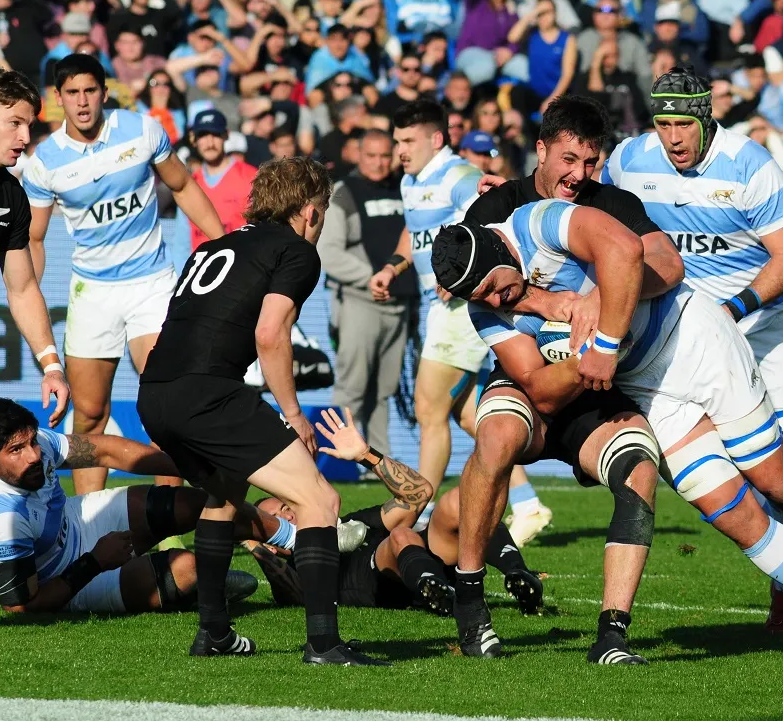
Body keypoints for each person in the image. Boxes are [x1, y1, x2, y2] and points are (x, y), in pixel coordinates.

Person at [434, 201, 783, 667]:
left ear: (499, 250)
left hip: (693, 342)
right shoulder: (487, 308)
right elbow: (539, 388)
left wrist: (605, 332)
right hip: (648, 390)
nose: (495, 301)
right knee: (730, 512)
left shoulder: (540, 221)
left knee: (778, 483)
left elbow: (626, 249)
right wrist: (579, 354)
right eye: (481, 298)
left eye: (493, 287)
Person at [604, 66, 783, 631]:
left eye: (682, 124)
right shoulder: (628, 161)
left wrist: (733, 308)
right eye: (662, 124)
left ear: (706, 116)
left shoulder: (750, 164)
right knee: (717, 477)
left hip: (762, 331)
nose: (672, 138)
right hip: (681, 342)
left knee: (782, 475)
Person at [452, 95, 683, 663]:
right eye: (568, 159)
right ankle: (469, 595)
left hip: (596, 387)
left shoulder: (611, 204)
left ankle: (612, 635)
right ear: (541, 150)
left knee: (640, 471)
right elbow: (477, 287)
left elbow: (667, 262)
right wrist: (560, 312)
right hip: (528, 375)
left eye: (590, 161)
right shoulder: (495, 209)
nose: (578, 175)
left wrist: (602, 296)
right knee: (497, 436)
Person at [137, 157, 382, 666]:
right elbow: (269, 334)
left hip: (155, 392)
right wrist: (293, 413)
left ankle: (214, 633)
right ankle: (323, 643)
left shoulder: (217, 245)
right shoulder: (295, 251)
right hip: (207, 393)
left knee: (224, 495)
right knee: (320, 502)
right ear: (311, 211)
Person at [22, 55, 224, 496]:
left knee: (164, 405)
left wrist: (223, 243)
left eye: (90, 91)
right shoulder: (45, 162)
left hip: (152, 284)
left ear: (104, 92)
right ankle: (87, 521)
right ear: (58, 100)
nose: (82, 102)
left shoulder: (143, 129)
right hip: (92, 293)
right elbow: (34, 240)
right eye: (72, 93)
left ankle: (168, 520)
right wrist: (28, 294)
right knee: (90, 412)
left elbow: (184, 186)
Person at [369, 100, 547, 541]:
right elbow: (415, 231)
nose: (400, 151)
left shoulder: (457, 175)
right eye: (396, 142)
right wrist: (394, 266)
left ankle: (415, 516)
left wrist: (465, 274)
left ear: (435, 139)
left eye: (408, 141)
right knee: (471, 418)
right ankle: (528, 507)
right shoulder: (412, 181)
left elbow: (493, 220)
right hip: (440, 307)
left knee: (430, 409)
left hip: (464, 308)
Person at [0, 397, 289, 614]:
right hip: (61, 579)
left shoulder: (33, 445)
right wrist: (94, 562)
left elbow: (107, 451)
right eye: (17, 450)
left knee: (201, 502)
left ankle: (298, 540)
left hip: (74, 522)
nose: (33, 455)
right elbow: (21, 607)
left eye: (32, 442)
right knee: (187, 568)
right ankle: (205, 585)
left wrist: (194, 470)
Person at [247, 408, 543, 618]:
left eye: (287, 508)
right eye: (277, 519)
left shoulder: (350, 524)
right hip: (388, 583)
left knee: (462, 503)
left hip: (427, 558)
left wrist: (366, 455)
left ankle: (520, 574)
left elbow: (419, 493)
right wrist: (253, 542)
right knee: (401, 535)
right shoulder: (295, 572)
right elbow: (280, 579)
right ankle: (436, 592)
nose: (287, 517)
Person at [0, 69, 69, 427]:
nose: (25, 137)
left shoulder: (10, 196)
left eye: (29, 125)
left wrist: (52, 367)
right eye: (14, 123)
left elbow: (23, 288)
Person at [318, 130, 416, 457]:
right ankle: (336, 463)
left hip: (399, 304)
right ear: (357, 155)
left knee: (384, 390)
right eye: (371, 155)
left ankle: (377, 461)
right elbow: (328, 253)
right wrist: (371, 278)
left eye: (385, 155)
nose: (378, 162)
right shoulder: (344, 192)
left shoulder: (405, 187)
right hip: (360, 303)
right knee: (352, 387)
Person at [189, 109, 258, 251]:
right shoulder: (189, 184)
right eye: (203, 135)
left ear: (226, 135)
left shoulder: (251, 177)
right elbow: (182, 241)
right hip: (202, 268)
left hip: (242, 265)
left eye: (215, 134)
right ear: (193, 139)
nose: (210, 142)